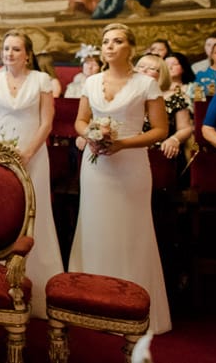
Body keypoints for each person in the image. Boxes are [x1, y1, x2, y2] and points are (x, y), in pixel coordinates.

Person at [70, 23, 172, 334]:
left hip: (131, 167)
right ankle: (89, 302)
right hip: (96, 166)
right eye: (105, 42)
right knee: (95, 227)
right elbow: (80, 120)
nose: (109, 46)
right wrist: (90, 136)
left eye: (117, 41)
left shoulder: (146, 85)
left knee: (131, 232)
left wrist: (123, 143)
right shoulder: (91, 82)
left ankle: (131, 307)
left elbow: (160, 130)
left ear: (130, 47)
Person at [0, 30, 64, 318]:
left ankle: (40, 282)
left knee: (34, 211)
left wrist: (28, 152)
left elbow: (47, 122)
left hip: (34, 152)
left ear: (27, 54)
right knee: (6, 212)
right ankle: (1, 280)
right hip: (2, 155)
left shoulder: (40, 80)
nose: (10, 54)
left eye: (16, 49)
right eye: (6, 48)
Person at [135, 54, 193, 167]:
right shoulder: (126, 96)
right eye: (140, 66)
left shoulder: (175, 98)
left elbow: (186, 128)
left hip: (163, 150)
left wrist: (175, 139)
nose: (144, 70)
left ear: (162, 74)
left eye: (151, 68)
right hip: (131, 150)